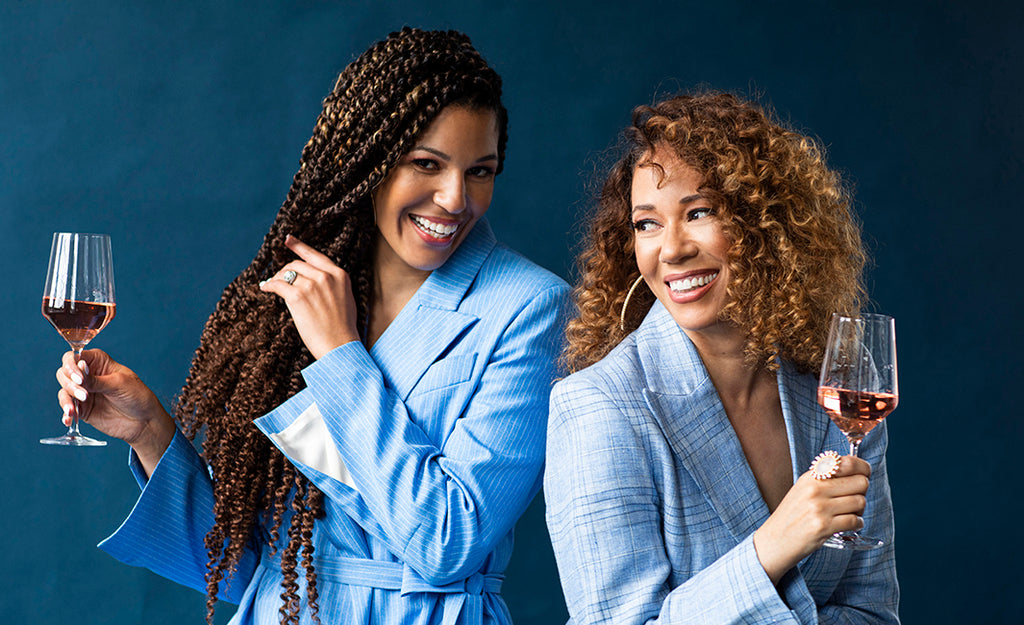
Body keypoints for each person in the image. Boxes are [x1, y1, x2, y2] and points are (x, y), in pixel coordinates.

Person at [55, 27, 569, 625]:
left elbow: (445, 543)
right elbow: (246, 568)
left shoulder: (529, 307)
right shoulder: (294, 298)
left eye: (481, 171)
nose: (455, 199)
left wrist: (340, 354)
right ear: (366, 161)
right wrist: (150, 433)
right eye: (426, 164)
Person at [544, 92, 899, 623]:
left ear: (766, 224)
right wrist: (772, 546)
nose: (672, 249)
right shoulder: (596, 407)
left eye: (700, 212)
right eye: (648, 224)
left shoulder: (836, 385)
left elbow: (872, 609)